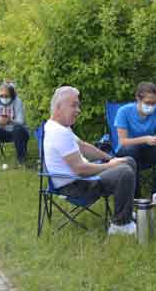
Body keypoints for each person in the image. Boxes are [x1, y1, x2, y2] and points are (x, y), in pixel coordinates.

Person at [44, 86, 137, 235]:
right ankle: (120, 225)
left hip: (81, 179)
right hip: (76, 186)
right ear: (58, 107)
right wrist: (109, 165)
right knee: (124, 172)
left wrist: (110, 158)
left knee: (128, 160)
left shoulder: (60, 127)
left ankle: (126, 211)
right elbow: (80, 169)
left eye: (78, 105)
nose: (78, 110)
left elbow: (83, 146)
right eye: (74, 105)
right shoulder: (58, 133)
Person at [115, 82, 156, 198]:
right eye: (148, 103)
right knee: (132, 150)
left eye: (155, 103)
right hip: (127, 152)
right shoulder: (124, 111)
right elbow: (123, 142)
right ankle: (135, 195)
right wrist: (145, 139)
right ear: (138, 99)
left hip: (148, 151)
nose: (152, 106)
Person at [0, 82, 30, 164]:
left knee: (18, 128)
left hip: (19, 133)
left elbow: (21, 122)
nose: (4, 98)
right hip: (4, 132)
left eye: (6, 96)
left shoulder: (18, 101)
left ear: (12, 95)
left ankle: (21, 159)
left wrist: (10, 121)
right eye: (1, 96)